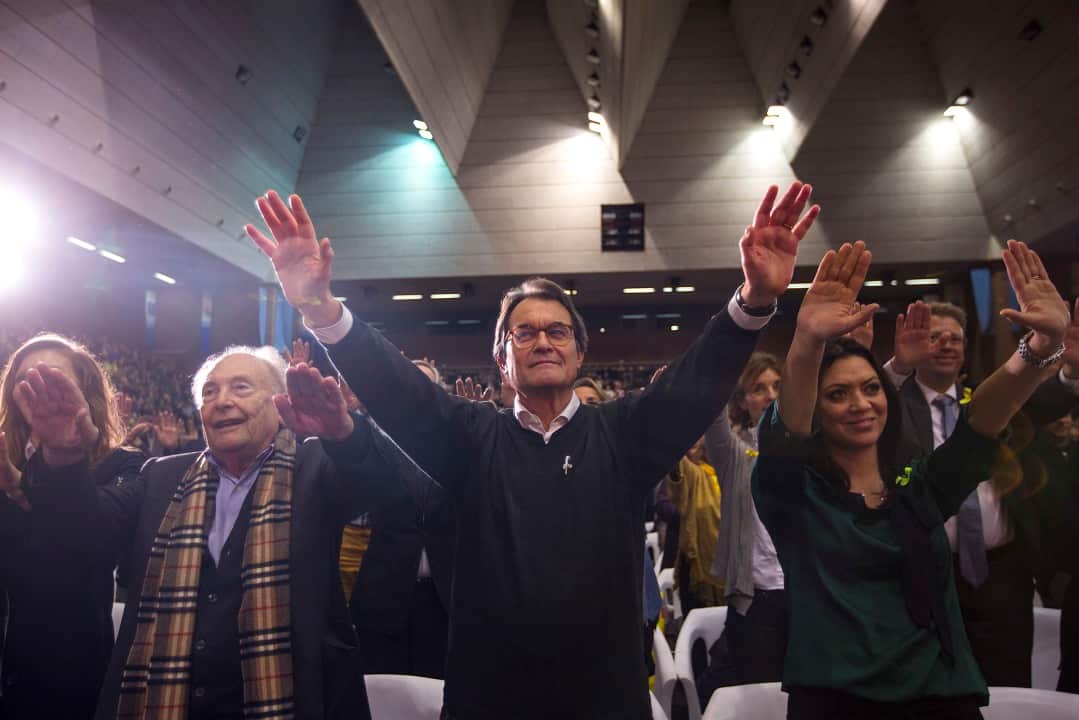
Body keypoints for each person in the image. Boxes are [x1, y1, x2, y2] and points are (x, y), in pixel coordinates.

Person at [246, 181, 820, 719]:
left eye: (558, 330)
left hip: (604, 702)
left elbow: (695, 381)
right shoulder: (469, 438)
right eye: (524, 332)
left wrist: (753, 301)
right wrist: (322, 308)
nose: (543, 339)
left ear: (577, 355)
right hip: (490, 701)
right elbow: (400, 391)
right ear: (502, 358)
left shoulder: (623, 436)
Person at [754, 239, 1070, 719]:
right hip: (836, 703)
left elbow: (980, 422)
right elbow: (787, 433)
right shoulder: (795, 494)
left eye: (869, 388)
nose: (860, 404)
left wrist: (1040, 349)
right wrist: (807, 341)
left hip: (941, 698)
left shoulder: (916, 488)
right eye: (838, 394)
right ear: (817, 409)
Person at [5, 345, 405, 719]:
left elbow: (382, 483)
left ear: (280, 403)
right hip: (168, 701)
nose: (222, 400)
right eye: (209, 392)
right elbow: (87, 534)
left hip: (293, 698)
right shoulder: (163, 476)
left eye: (241, 387)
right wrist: (63, 457)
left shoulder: (316, 466)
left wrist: (343, 435)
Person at [884, 298, 1079, 687]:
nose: (946, 344)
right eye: (934, 336)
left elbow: (1047, 399)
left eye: (955, 338)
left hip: (1002, 574)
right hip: (927, 572)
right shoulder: (888, 409)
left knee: (1007, 681)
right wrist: (898, 369)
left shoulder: (991, 400)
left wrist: (1070, 371)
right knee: (935, 686)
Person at [0, 334, 145, 720]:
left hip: (71, 677)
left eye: (53, 375)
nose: (39, 385)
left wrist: (56, 466)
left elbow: (97, 536)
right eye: (26, 377)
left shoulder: (124, 466)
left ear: (86, 392)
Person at [706, 352, 787, 685]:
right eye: (758, 388)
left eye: (778, 385)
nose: (770, 395)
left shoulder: (814, 447)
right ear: (742, 400)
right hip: (757, 599)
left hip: (812, 594)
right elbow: (712, 418)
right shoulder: (735, 455)